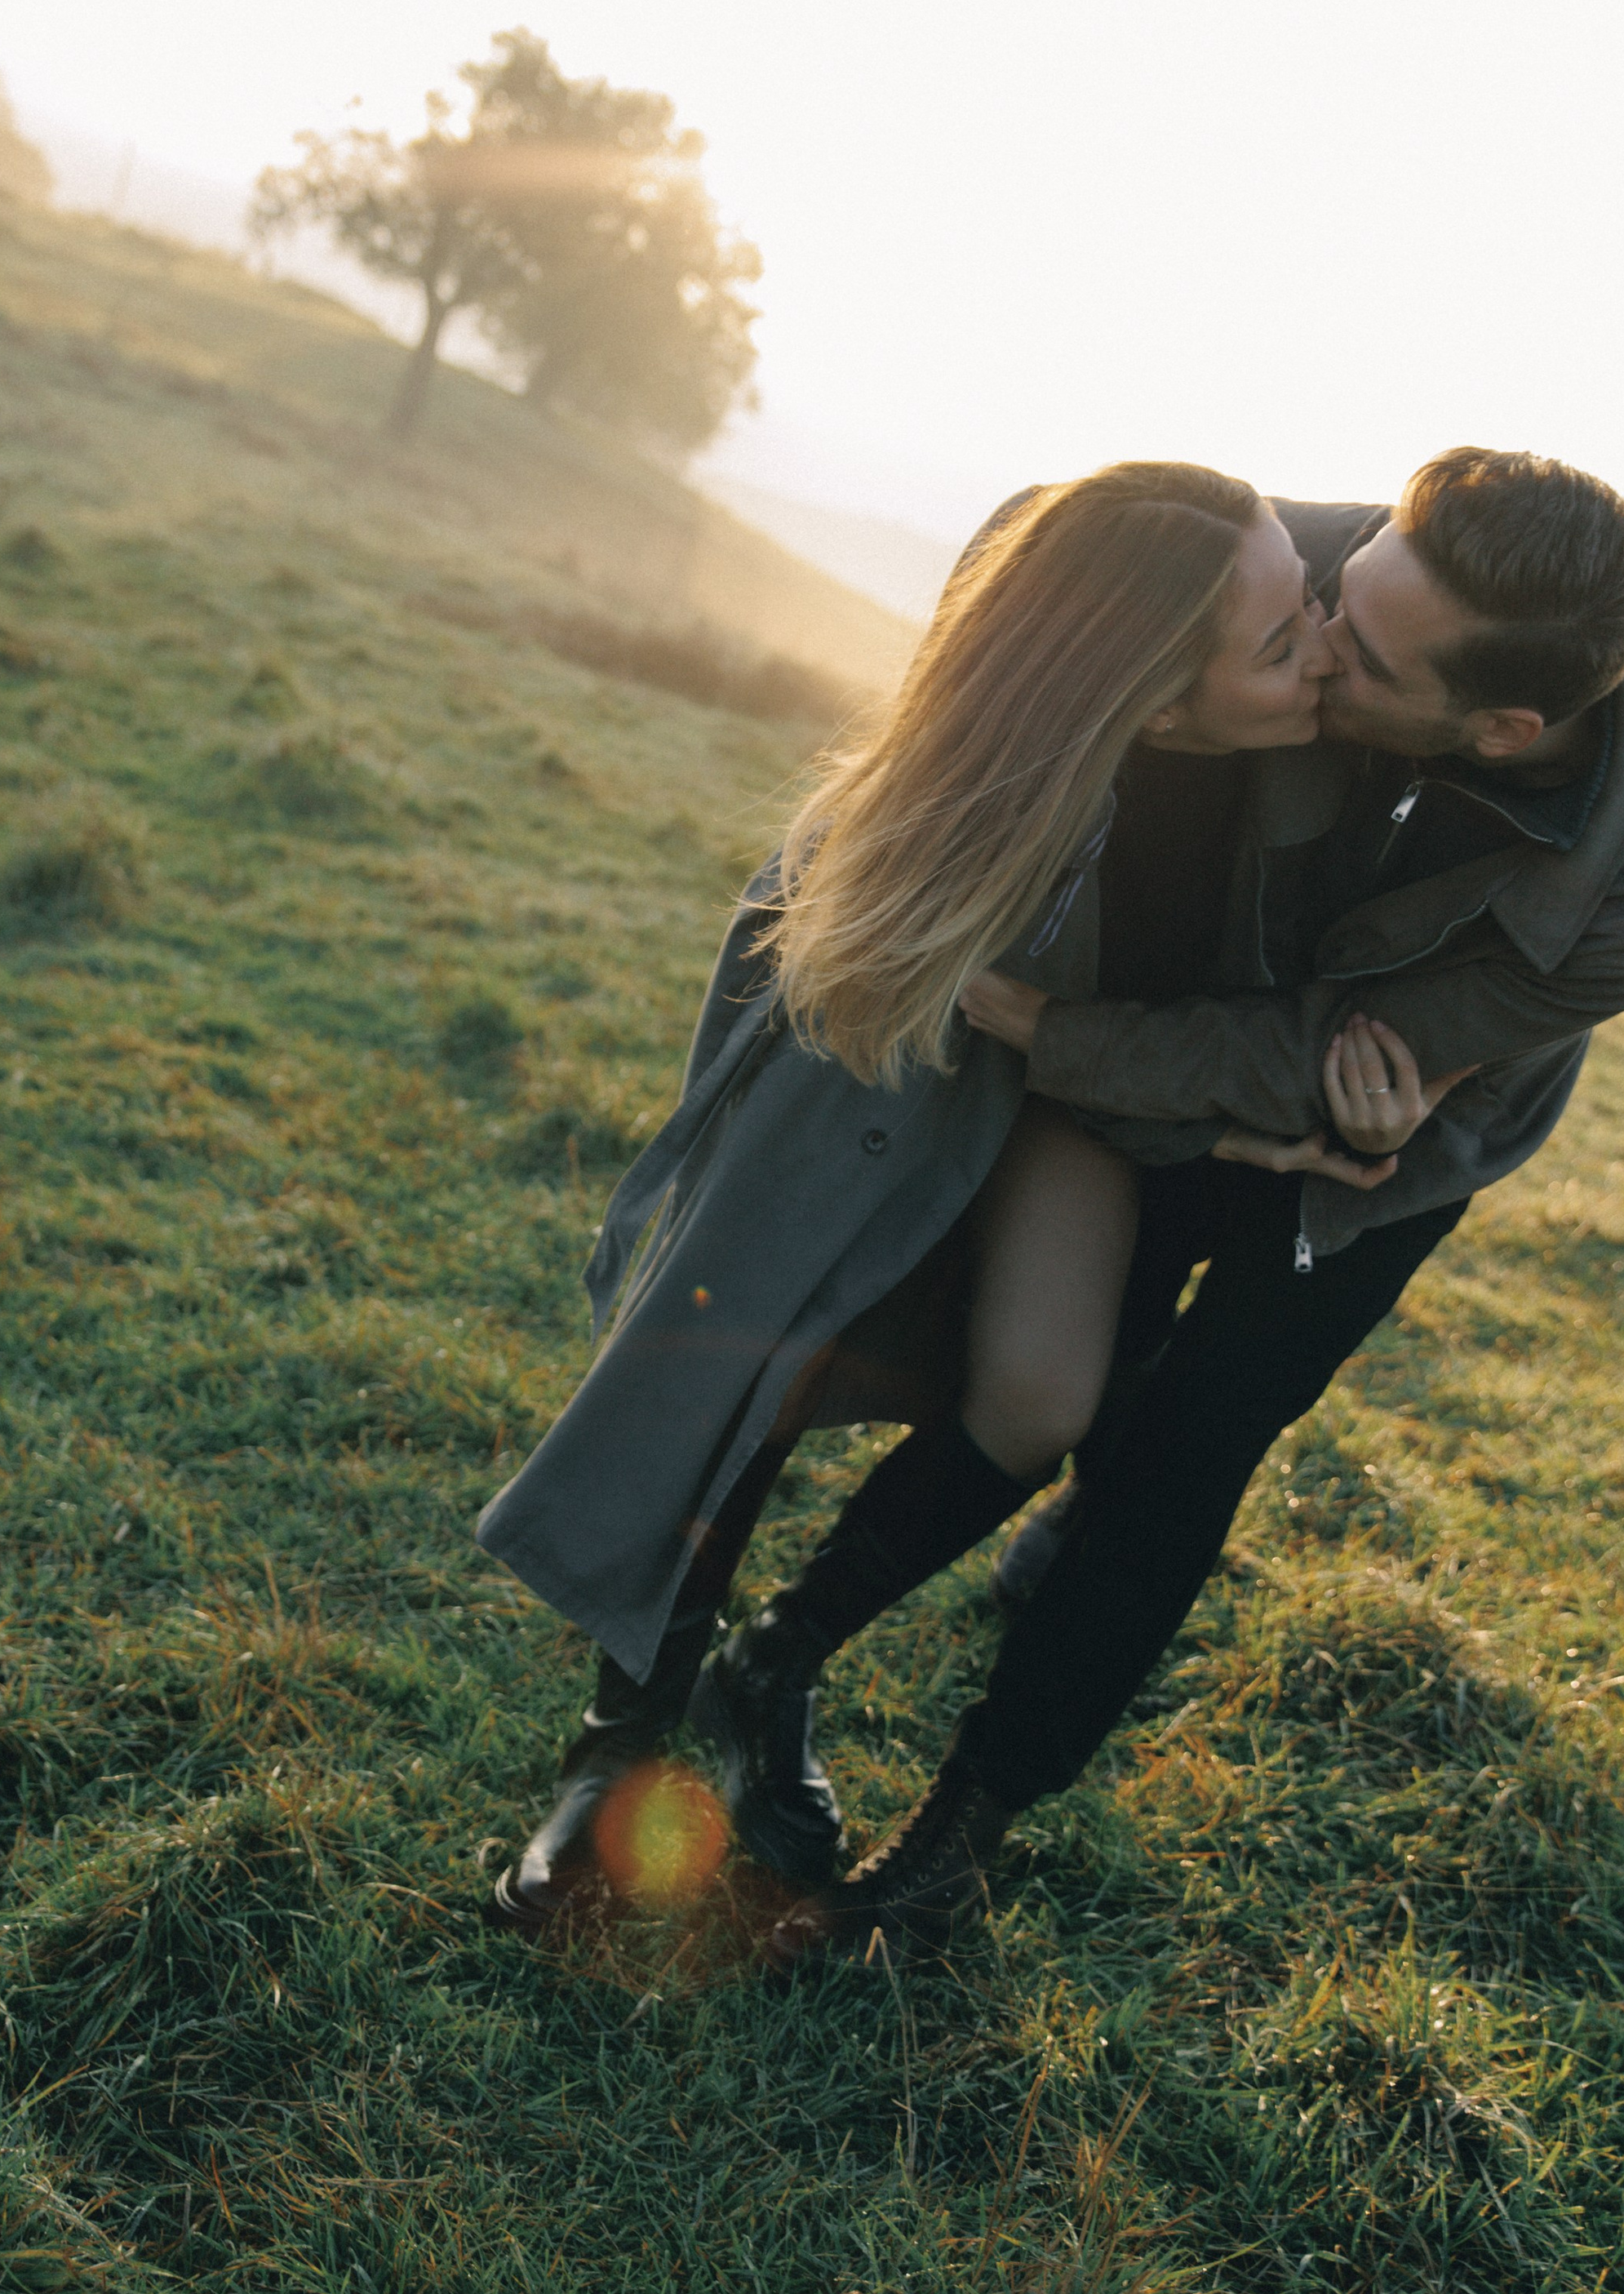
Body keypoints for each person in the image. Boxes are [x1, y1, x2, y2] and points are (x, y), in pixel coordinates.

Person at [756, 446, 1624, 1969]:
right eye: (1331, 594)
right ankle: (775, 1657)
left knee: (1196, 1437)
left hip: (1385, 1149)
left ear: (1503, 729)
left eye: (1362, 651)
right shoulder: (1353, 569)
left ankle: (954, 1849)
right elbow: (1045, 545)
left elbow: (1320, 1064)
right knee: (1097, 1354)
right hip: (1177, 1006)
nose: (1318, 636)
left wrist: (1046, 1030)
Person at [477, 459, 1343, 1931]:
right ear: (1155, 710)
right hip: (930, 1005)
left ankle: (779, 1658)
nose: (1324, 644)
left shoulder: (1322, 698)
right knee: (752, 1336)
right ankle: (617, 1750)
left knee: (1042, 1396)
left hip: (1094, 1079)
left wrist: (1279, 1109)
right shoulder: (1001, 776)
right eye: (1282, 642)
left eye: (1311, 603)